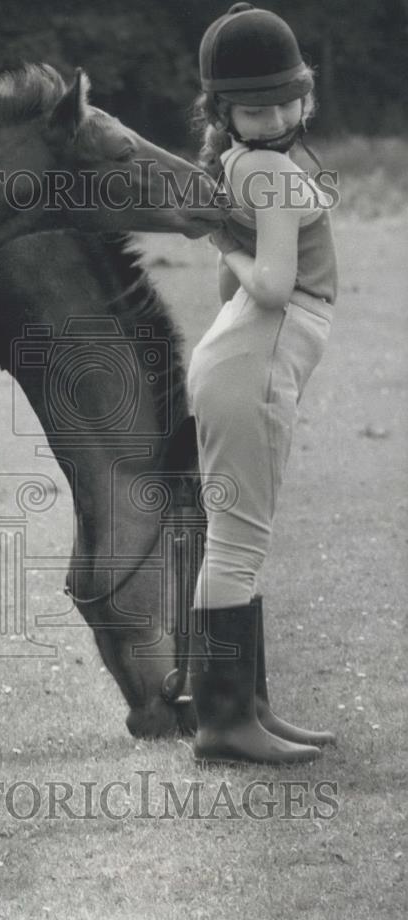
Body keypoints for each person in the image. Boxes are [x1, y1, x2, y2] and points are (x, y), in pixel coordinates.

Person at [186, 2, 338, 765]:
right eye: (255, 105)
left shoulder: (239, 165)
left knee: (239, 538)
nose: (276, 115)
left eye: (287, 98)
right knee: (238, 540)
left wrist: (227, 243)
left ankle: (247, 706)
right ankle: (221, 721)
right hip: (255, 357)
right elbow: (272, 286)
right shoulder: (271, 170)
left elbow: (228, 290)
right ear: (223, 110)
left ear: (305, 94)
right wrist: (233, 246)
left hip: (243, 357)